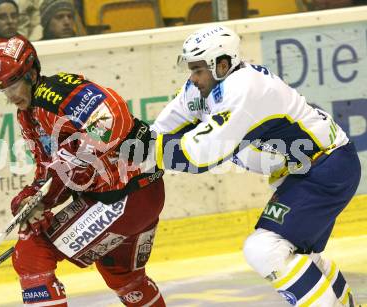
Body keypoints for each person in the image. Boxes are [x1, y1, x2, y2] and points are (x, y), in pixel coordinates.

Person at [126, 24, 361, 306]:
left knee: (264, 249)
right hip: (313, 169)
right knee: (299, 257)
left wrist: (139, 152)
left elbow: (199, 155)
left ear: (222, 65)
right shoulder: (207, 85)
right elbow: (162, 131)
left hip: (325, 168)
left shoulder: (243, 91)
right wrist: (131, 152)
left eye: (198, 69)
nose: (193, 78)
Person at [0, 35, 166, 307]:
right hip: (139, 196)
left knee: (32, 253)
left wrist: (71, 156)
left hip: (125, 195)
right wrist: (34, 200)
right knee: (122, 275)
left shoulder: (54, 94)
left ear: (32, 73)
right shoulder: (28, 115)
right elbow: (49, 170)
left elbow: (113, 115)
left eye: (13, 83)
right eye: (1, 89)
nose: (9, 96)